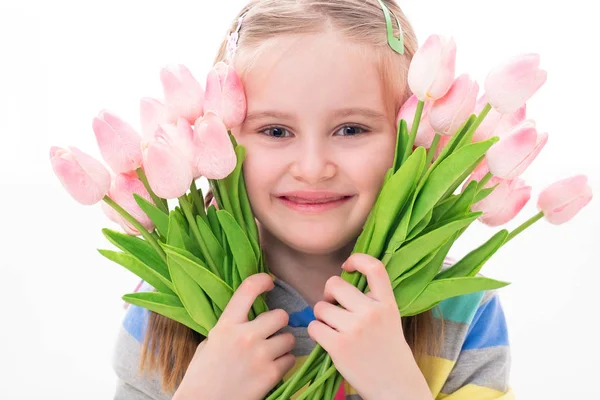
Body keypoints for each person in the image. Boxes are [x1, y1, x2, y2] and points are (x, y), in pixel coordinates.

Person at [112, 1, 513, 399]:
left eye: (351, 129)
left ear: (409, 133)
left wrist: (398, 389)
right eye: (275, 131)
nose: (312, 167)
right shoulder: (167, 303)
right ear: (221, 134)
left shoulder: (460, 308)